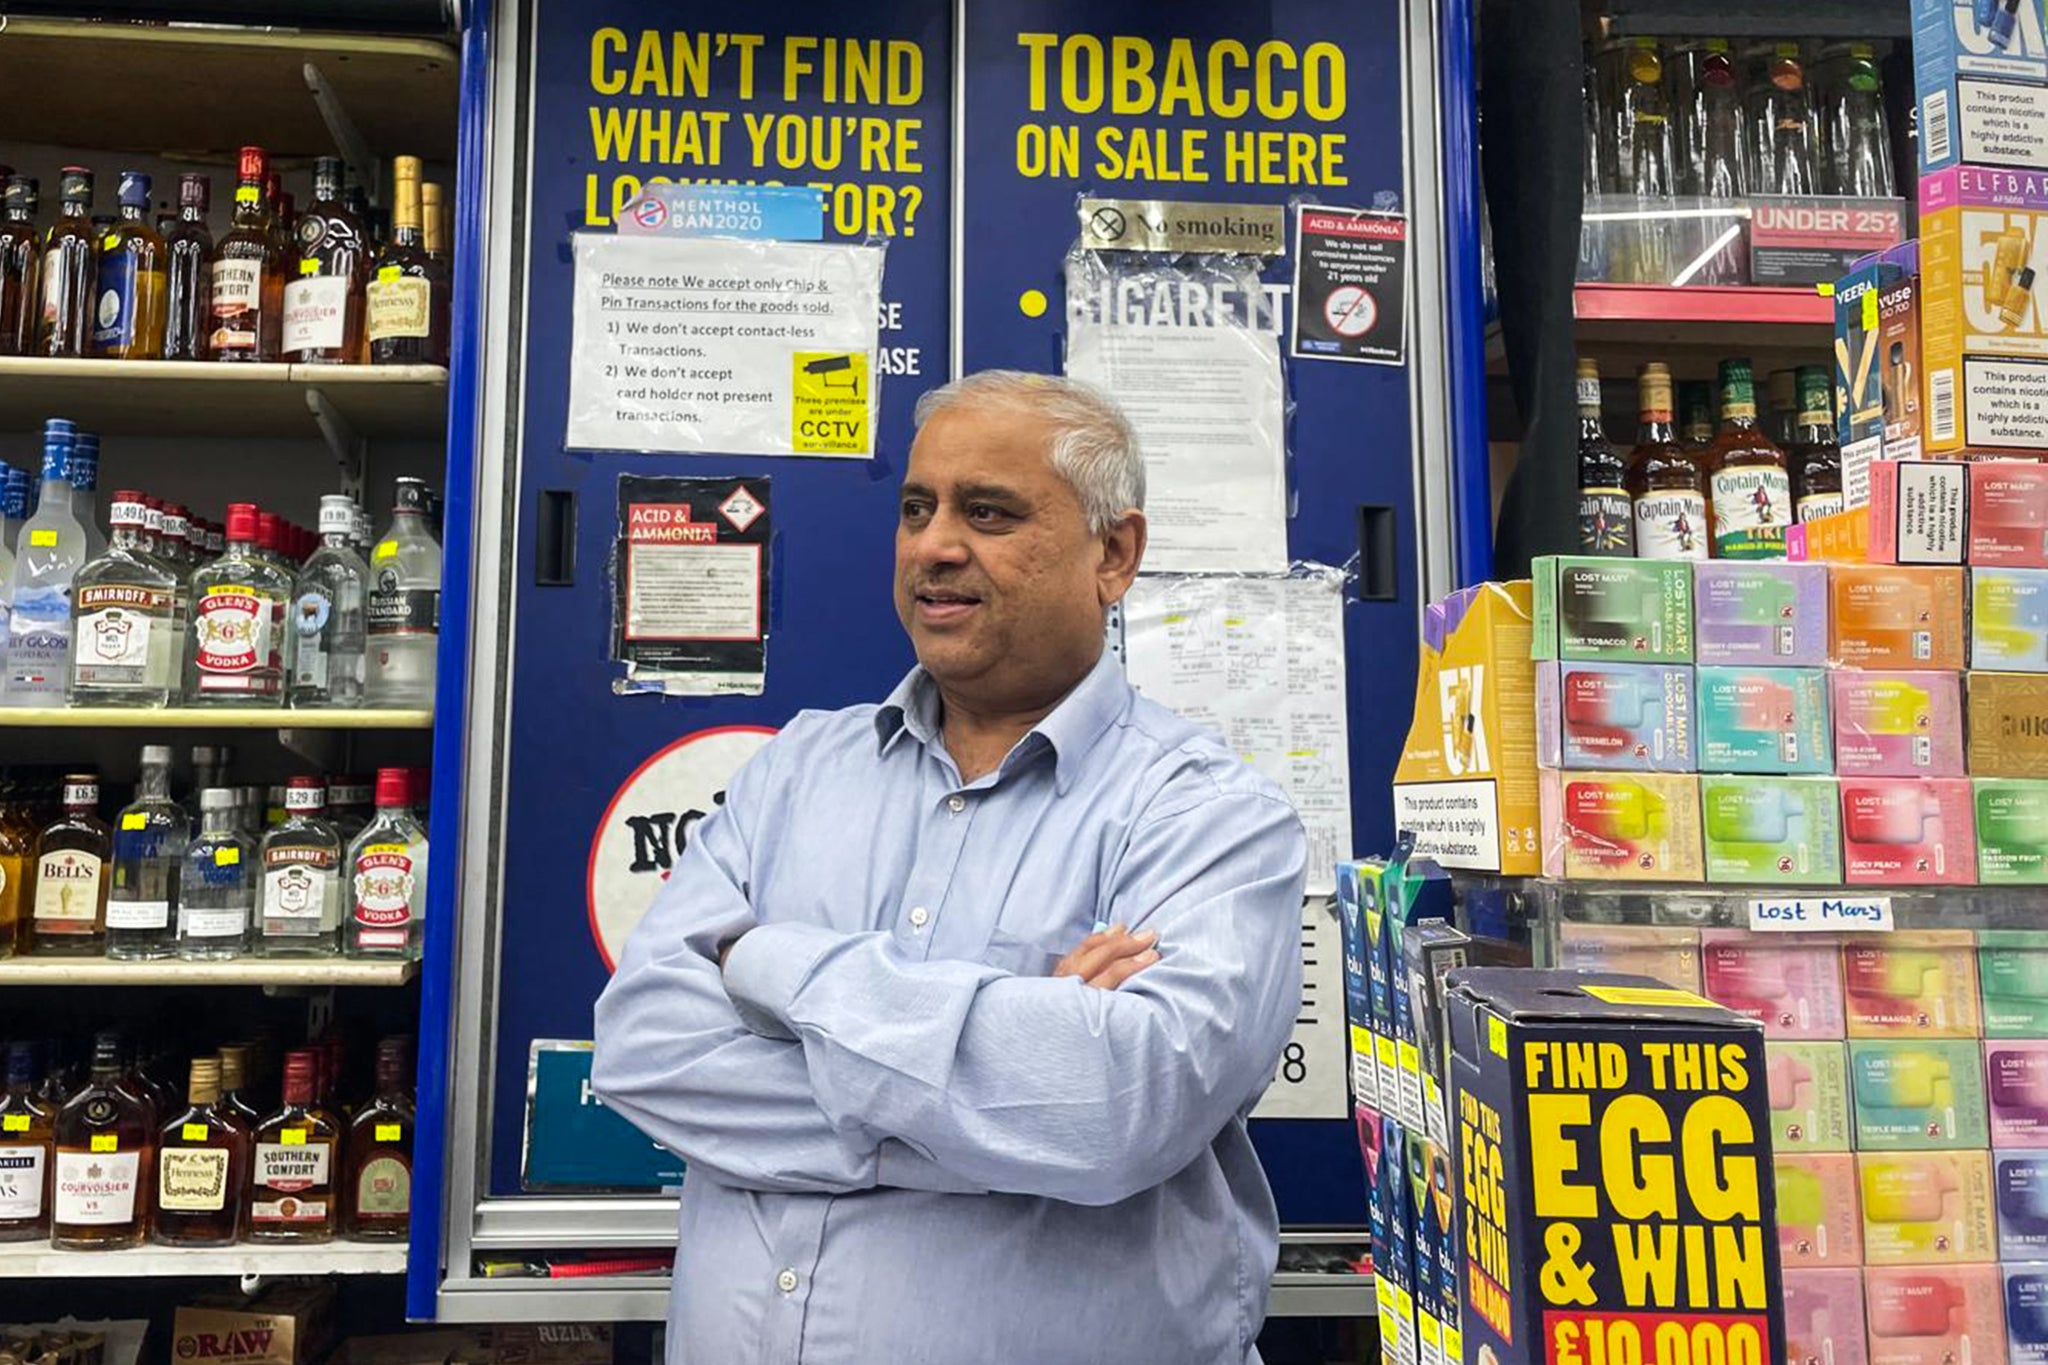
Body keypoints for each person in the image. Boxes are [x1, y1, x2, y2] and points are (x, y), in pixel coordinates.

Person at [591, 370, 1308, 1364]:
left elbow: (1116, 1111)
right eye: (916, 508)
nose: (933, 545)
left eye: (987, 512)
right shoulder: (798, 767)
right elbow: (643, 1049)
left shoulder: (1209, 817)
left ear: (1114, 554)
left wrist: (772, 965)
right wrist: (1009, 1088)